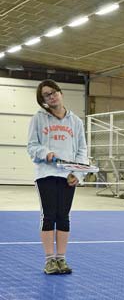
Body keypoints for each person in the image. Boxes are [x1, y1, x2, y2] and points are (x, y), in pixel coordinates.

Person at [27, 79, 88, 275]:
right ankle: (49, 261)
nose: (52, 96)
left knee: (63, 217)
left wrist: (78, 173)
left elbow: (82, 150)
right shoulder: (38, 118)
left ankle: (61, 259)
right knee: (49, 216)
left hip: (68, 176)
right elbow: (32, 147)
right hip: (46, 174)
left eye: (54, 92)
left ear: (60, 93)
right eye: (47, 95)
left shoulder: (75, 121)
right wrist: (46, 153)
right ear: (43, 100)